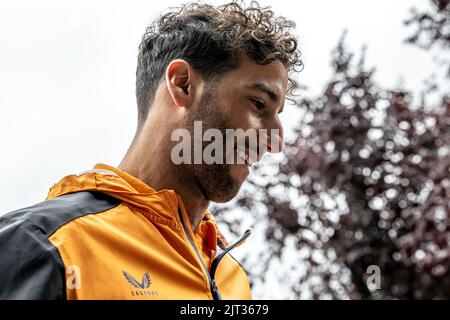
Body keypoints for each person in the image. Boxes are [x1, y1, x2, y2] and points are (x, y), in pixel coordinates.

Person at [0, 0, 301, 299]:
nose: (275, 142)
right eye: (259, 104)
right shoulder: (47, 244)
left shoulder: (232, 280)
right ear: (182, 84)